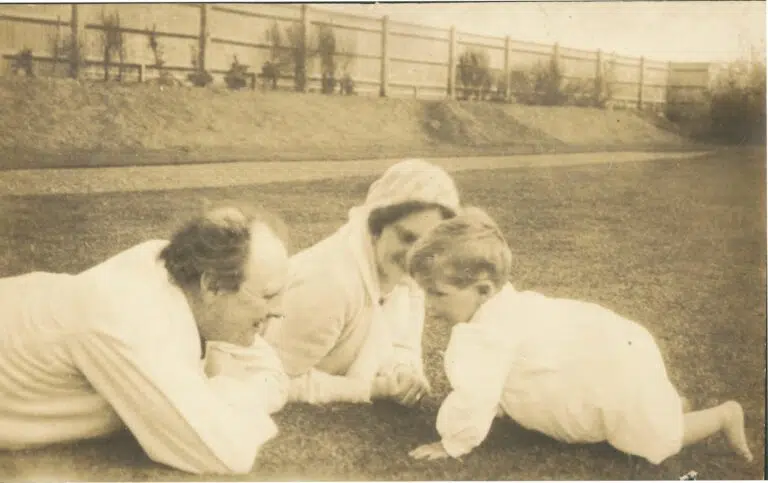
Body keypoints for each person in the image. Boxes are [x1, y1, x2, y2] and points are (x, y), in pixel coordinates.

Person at [406, 207, 753, 465]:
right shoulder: (502, 310)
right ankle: (665, 404)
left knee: (653, 439)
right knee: (639, 405)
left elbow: (475, 394)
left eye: (437, 294)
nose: (430, 306)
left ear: (483, 290)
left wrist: (451, 443)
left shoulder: (488, 334)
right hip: (608, 352)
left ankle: (722, 415)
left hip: (610, 370)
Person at [0, 202, 292, 475]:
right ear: (212, 286)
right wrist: (227, 388)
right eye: (267, 295)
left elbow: (272, 374)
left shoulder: (177, 273)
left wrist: (228, 394)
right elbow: (223, 453)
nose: (278, 311)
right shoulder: (132, 321)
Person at [264, 159, 461, 406]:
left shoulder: (408, 274)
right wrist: (367, 389)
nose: (415, 255)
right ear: (376, 227)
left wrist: (404, 372)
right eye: (406, 237)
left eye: (427, 243)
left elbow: (402, 342)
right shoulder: (331, 284)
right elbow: (270, 379)